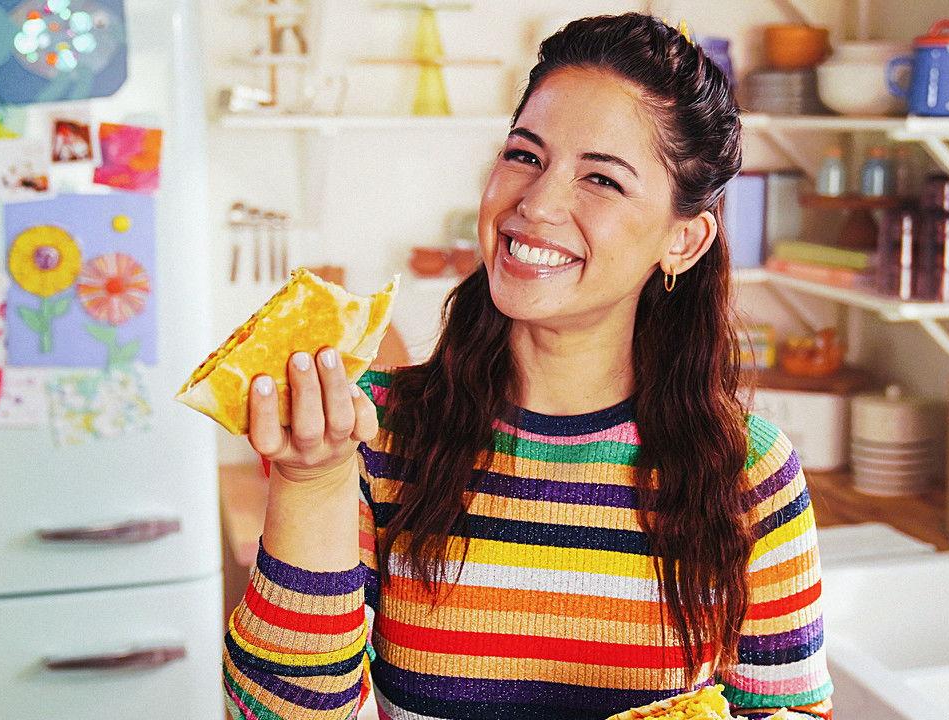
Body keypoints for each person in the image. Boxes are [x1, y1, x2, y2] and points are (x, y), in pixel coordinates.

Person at [223, 13, 832, 720]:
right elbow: (281, 715)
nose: (535, 204)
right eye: (525, 155)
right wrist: (308, 480)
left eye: (601, 179)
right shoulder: (376, 435)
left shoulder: (748, 475)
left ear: (685, 240)